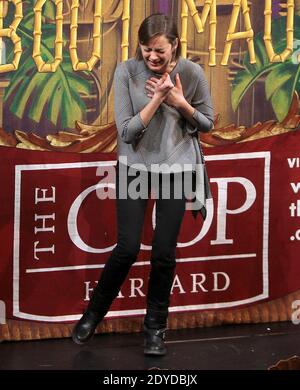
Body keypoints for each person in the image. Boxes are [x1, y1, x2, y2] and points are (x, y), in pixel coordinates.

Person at [72, 13, 214, 356]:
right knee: (128, 248)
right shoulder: (126, 71)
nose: (152, 57)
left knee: (164, 253)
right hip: (135, 166)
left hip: (176, 168)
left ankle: (154, 329)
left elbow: (207, 123)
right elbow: (126, 132)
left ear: (175, 45)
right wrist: (158, 99)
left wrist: (180, 103)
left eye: (159, 51)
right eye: (147, 49)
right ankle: (93, 314)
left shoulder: (192, 73)